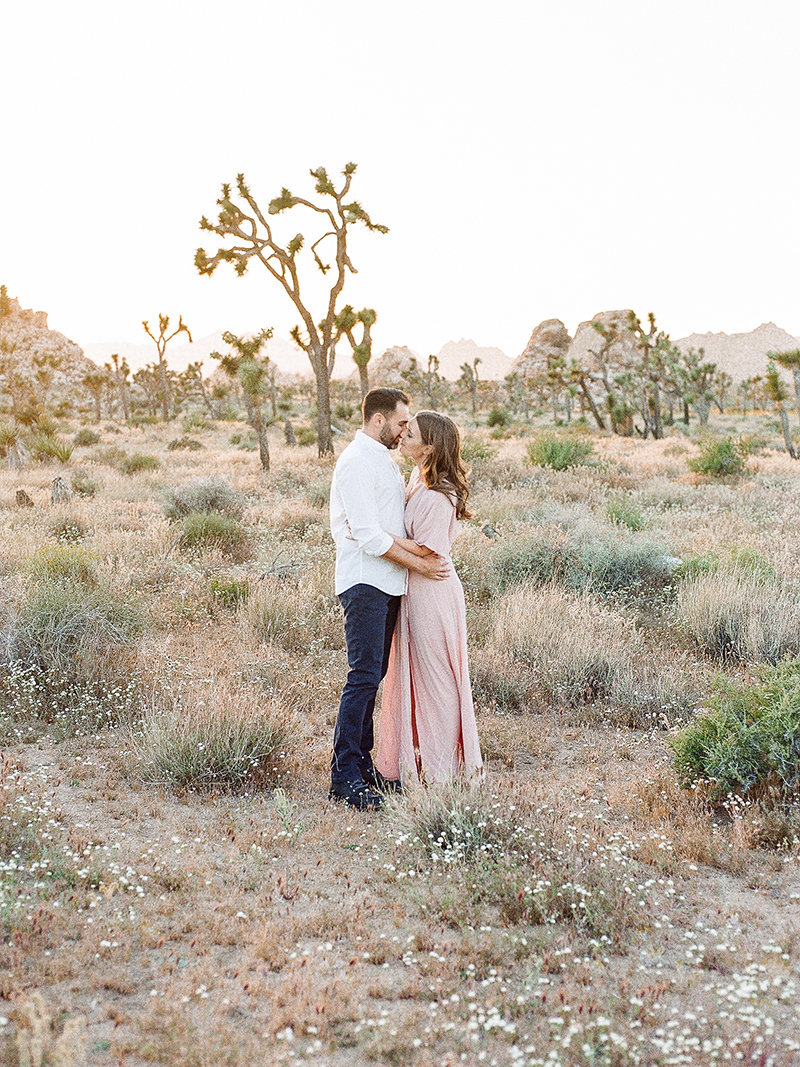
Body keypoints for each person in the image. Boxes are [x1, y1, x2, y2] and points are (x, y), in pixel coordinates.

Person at [329, 388, 450, 811]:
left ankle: (363, 767)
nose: (404, 431)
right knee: (362, 676)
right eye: (401, 423)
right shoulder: (356, 462)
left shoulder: (382, 459)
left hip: (388, 583)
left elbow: (387, 527)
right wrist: (420, 565)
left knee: (373, 676)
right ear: (378, 420)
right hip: (366, 582)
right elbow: (367, 536)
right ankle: (344, 776)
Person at [375, 411, 483, 785]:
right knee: (417, 675)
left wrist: (378, 538)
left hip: (433, 592)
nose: (403, 436)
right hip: (415, 586)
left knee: (438, 681)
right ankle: (419, 763)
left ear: (430, 447)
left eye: (412, 434)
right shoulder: (418, 478)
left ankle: (443, 772)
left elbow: (426, 550)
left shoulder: (440, 495)